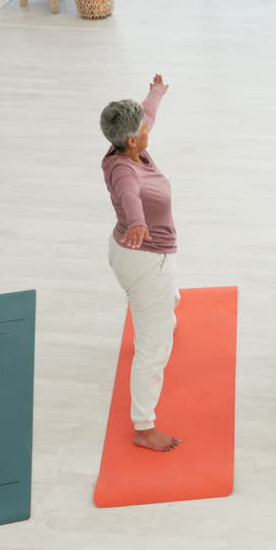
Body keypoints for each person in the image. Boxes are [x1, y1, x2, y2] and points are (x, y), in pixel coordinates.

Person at [101, 73, 182, 452]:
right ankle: (144, 426)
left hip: (136, 253)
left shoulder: (131, 145)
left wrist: (156, 91)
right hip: (144, 259)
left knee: (169, 300)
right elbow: (129, 195)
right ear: (132, 140)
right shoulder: (124, 170)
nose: (148, 129)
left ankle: (166, 314)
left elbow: (147, 114)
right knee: (154, 349)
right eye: (142, 130)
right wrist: (137, 223)